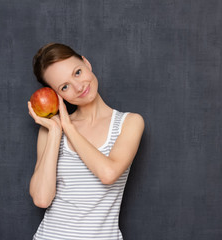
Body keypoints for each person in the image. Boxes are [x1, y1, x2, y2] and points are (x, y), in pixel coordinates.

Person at [27, 43, 144, 239]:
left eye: (78, 72)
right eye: (64, 86)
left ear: (87, 63)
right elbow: (41, 198)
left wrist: (69, 128)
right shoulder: (50, 130)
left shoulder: (130, 122)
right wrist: (56, 132)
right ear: (57, 94)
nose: (78, 86)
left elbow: (108, 174)